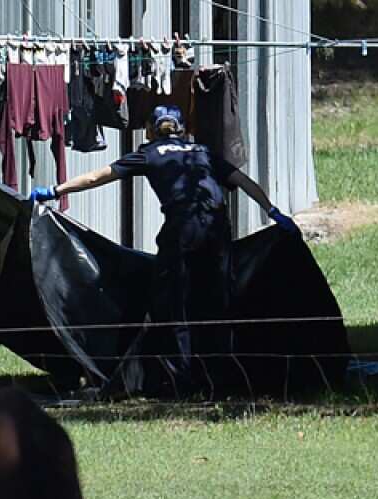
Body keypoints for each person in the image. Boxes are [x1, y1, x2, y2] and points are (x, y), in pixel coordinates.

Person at [29, 105, 298, 396]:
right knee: (217, 301)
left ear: (150, 129)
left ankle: (183, 381)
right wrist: (273, 211)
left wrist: (55, 191)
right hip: (217, 229)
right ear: (182, 129)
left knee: (173, 303)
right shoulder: (201, 152)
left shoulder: (150, 153)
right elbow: (243, 181)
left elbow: (97, 177)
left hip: (182, 229)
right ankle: (221, 377)